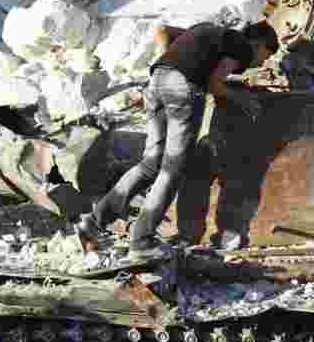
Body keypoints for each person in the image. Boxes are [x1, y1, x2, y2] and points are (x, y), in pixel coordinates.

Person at [75, 20, 280, 260]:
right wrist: (241, 100)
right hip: (183, 90)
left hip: (156, 83)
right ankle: (141, 241)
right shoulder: (240, 46)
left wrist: (172, 66)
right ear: (258, 44)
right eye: (265, 56)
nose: (261, 64)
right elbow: (215, 83)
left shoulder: (208, 31)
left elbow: (163, 31)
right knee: (172, 169)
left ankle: (93, 222)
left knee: (150, 164)